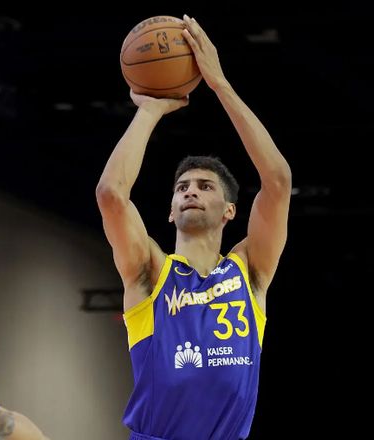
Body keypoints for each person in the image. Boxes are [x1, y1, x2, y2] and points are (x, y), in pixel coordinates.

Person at [96, 13, 291, 440]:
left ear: (229, 211)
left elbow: (277, 181)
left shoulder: (249, 271)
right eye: (182, 187)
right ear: (170, 211)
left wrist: (219, 84)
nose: (190, 192)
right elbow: (111, 194)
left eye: (205, 186)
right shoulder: (151, 272)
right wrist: (149, 110)